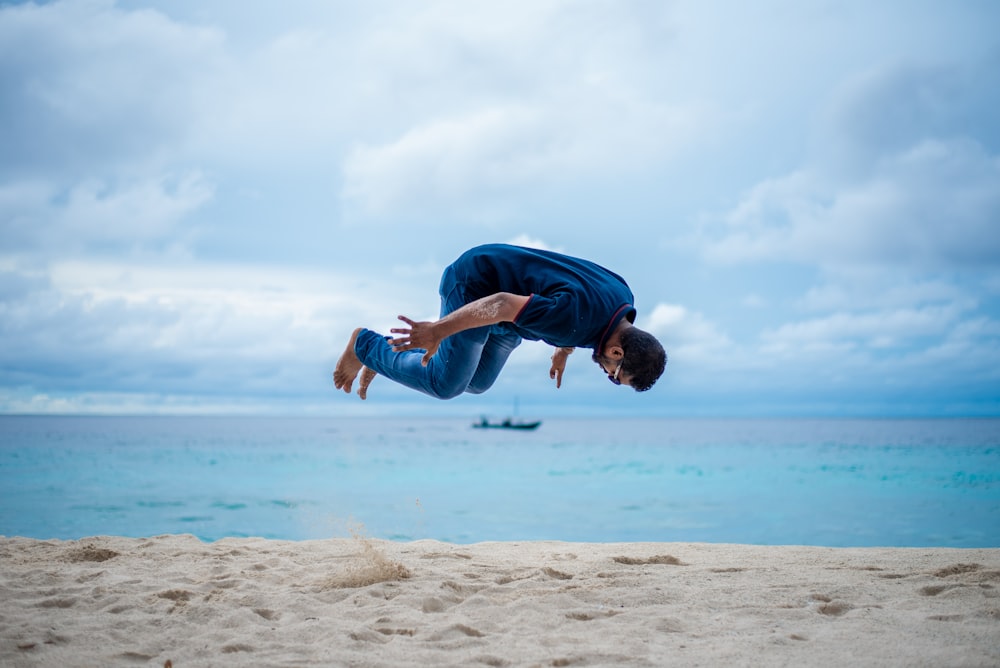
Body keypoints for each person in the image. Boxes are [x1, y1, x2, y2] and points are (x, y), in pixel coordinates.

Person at [333, 243, 666, 400]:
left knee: (477, 382)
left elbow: (576, 304)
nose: (607, 373)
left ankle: (387, 359)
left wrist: (564, 349)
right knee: (446, 383)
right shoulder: (572, 322)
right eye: (614, 376)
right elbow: (503, 304)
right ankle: (366, 345)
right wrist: (436, 331)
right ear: (617, 354)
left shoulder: (623, 298)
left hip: (509, 311)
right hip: (478, 288)